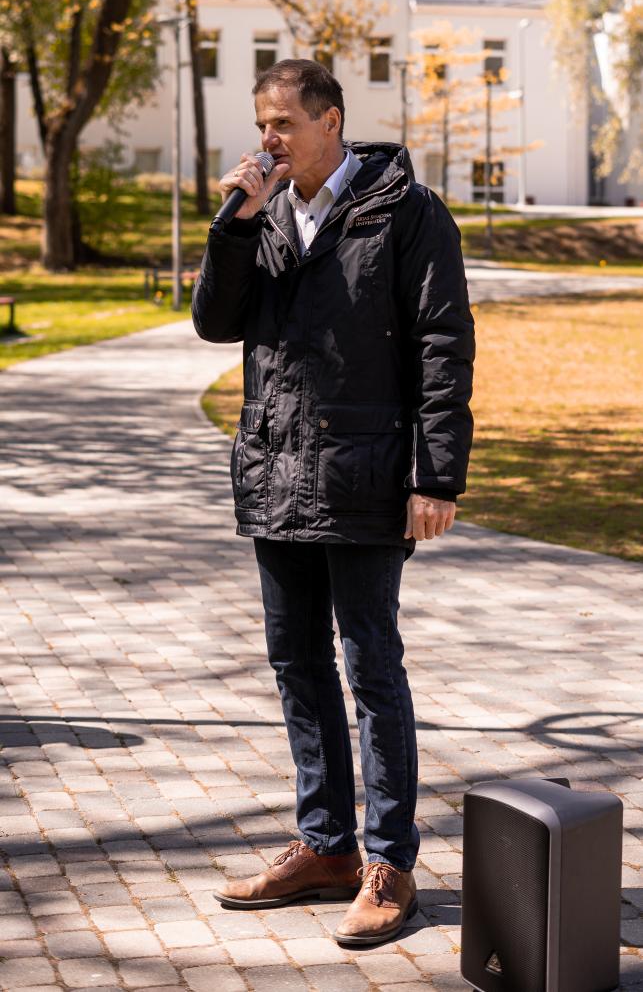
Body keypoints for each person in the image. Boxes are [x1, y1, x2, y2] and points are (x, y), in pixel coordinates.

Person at [192, 58, 474, 946]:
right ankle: (325, 847)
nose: (267, 139)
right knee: (297, 665)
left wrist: (435, 474)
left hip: (365, 473)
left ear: (330, 122)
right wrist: (233, 224)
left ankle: (388, 863)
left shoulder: (407, 212)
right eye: (261, 123)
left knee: (370, 668)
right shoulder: (263, 213)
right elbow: (214, 322)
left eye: (282, 123)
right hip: (276, 467)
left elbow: (441, 343)